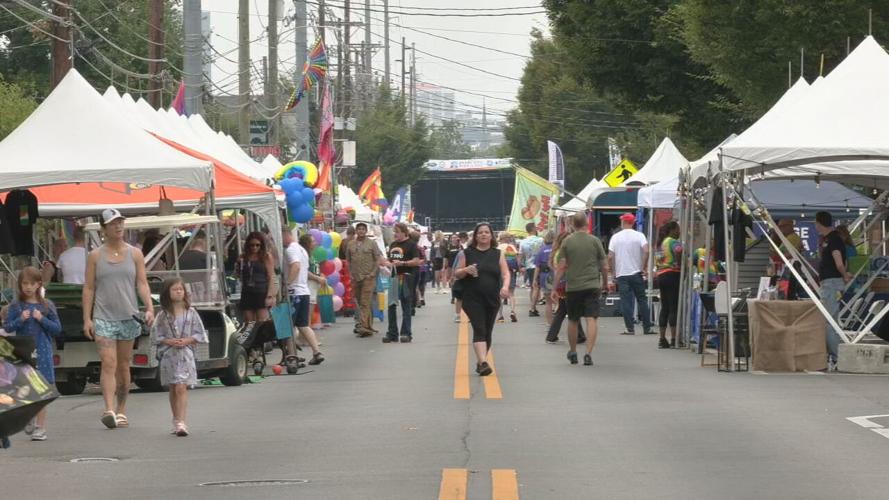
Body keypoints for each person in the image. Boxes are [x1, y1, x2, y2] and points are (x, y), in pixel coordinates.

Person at [83, 209, 155, 429]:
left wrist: (149, 307)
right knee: (108, 362)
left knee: (123, 364)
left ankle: (121, 410)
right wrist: (87, 318)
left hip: (128, 316)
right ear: (104, 228)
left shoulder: (135, 254)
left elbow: (141, 283)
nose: (118, 226)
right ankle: (108, 409)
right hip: (104, 316)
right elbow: (89, 287)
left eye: (120, 222)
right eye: (113, 223)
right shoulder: (95, 255)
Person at [4, 267, 62, 441]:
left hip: (43, 351)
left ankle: (40, 426)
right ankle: (28, 418)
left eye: (32, 283)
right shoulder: (16, 306)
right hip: (23, 352)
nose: (28, 287)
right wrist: (20, 319)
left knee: (42, 389)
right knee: (25, 387)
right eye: (24, 283)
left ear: (39, 284)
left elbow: (57, 329)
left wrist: (41, 318)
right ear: (20, 285)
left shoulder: (47, 306)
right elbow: (8, 326)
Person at [551, 212, 609, 366]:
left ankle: (573, 351)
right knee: (592, 319)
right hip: (592, 285)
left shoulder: (567, 242)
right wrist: (604, 282)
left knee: (573, 320)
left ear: (572, 224)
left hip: (573, 286)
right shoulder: (595, 241)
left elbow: (561, 266)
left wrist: (554, 288)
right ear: (587, 223)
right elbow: (604, 266)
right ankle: (588, 353)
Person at [153, 278, 207, 437]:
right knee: (173, 387)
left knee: (181, 386)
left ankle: (182, 422)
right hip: (169, 355)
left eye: (181, 289)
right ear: (167, 293)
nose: (178, 292)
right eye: (174, 289)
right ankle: (176, 419)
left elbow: (200, 333)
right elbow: (156, 335)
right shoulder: (162, 315)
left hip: (185, 354)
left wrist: (188, 340)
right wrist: (168, 341)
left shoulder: (192, 312)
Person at [455, 223, 510, 376]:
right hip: (472, 297)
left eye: (487, 232)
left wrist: (505, 287)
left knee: (487, 331)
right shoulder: (467, 253)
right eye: (480, 233)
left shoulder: (498, 254)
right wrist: (465, 270)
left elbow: (506, 274)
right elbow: (457, 273)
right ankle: (484, 363)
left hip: (492, 298)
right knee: (479, 328)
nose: (484, 235)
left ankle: (481, 363)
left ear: (491, 236)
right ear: (476, 236)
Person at [607, 213, 653, 335]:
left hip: (622, 274)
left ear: (624, 222)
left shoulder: (615, 237)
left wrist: (613, 273)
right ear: (632, 223)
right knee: (642, 300)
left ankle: (630, 328)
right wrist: (643, 267)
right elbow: (646, 251)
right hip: (637, 273)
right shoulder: (639, 235)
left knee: (626, 301)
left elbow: (610, 257)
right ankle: (647, 327)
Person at [815, 211, 851, 369]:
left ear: (819, 223)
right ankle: (835, 354)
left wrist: (844, 275)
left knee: (829, 321)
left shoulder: (834, 240)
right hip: (829, 282)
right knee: (832, 320)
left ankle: (838, 356)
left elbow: (839, 262)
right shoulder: (829, 239)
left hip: (831, 283)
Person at [287, 232, 326, 364]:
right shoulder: (302, 250)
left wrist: (287, 284)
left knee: (289, 325)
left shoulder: (291, 249)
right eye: (313, 241)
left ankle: (292, 355)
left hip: (294, 292)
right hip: (304, 291)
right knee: (304, 324)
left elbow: (296, 266)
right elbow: (304, 269)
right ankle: (316, 352)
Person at [344, 222, 386, 337]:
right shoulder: (350, 244)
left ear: (366, 231)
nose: (361, 231)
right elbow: (348, 260)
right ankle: (368, 326)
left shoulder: (372, 243)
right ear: (356, 231)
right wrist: (350, 273)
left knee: (365, 301)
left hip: (368, 277)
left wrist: (373, 273)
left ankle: (362, 327)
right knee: (360, 301)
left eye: (363, 229)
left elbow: (377, 259)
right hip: (356, 277)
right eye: (359, 229)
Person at [546, 232, 586, 344]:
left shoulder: (556, 252)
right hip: (567, 284)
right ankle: (579, 335)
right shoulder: (564, 253)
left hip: (560, 284)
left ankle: (552, 335)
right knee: (572, 310)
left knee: (563, 310)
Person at [386, 223, 421, 342]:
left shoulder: (411, 245)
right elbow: (389, 260)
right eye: (394, 231)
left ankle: (406, 333)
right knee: (391, 305)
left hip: (406, 277)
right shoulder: (393, 244)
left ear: (404, 232)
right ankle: (392, 333)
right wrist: (386, 263)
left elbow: (417, 261)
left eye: (397, 231)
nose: (395, 234)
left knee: (406, 305)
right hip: (394, 277)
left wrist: (403, 263)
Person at [236, 231, 277, 325]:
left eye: (257, 245)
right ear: (248, 245)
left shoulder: (266, 257)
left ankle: (263, 339)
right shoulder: (243, 257)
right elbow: (239, 275)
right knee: (249, 324)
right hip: (247, 292)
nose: (254, 247)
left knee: (262, 323)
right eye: (252, 245)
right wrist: (238, 267)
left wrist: (270, 296)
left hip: (261, 292)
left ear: (261, 245)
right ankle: (252, 339)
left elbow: (271, 276)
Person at [654, 222, 682, 349]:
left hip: (661, 275)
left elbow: (658, 259)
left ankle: (662, 339)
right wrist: (679, 263)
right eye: (678, 229)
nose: (679, 232)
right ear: (672, 230)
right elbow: (679, 250)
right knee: (673, 307)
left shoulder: (660, 244)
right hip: (672, 275)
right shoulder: (672, 241)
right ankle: (674, 339)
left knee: (664, 307)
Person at [770, 219, 805, 300]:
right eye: (779, 227)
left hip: (790, 271)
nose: (781, 229)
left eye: (782, 226)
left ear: (790, 226)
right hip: (786, 270)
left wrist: (774, 254)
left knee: (788, 294)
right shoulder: (788, 238)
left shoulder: (793, 238)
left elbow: (790, 255)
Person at [519, 223, 544, 317]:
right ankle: (532, 308)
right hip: (539, 266)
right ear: (533, 229)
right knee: (537, 287)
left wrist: (520, 266)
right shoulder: (541, 240)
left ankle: (533, 306)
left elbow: (520, 255)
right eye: (536, 227)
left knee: (533, 287)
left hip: (529, 266)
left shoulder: (523, 242)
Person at [497, 232, 520, 323]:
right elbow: (517, 259)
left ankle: (500, 316)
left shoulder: (498, 248)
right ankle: (513, 311)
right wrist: (517, 269)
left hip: (500, 272)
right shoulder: (512, 247)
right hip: (511, 271)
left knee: (499, 294)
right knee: (511, 293)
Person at [533, 231, 555, 326]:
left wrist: (534, 279)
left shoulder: (541, 250)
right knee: (560, 299)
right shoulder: (557, 249)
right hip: (558, 275)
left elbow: (537, 267)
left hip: (545, 276)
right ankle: (558, 321)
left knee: (548, 302)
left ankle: (550, 323)